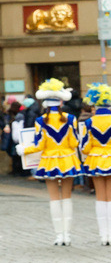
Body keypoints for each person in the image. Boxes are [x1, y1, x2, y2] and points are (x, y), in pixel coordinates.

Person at [17, 79, 80, 245]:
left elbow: (38, 145)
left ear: (45, 103)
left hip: (49, 162)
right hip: (67, 160)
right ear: (60, 102)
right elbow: (74, 143)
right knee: (67, 197)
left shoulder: (40, 121)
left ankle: (59, 236)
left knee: (54, 198)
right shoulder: (71, 118)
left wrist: (23, 149)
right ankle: (68, 235)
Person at [80, 83, 111, 245]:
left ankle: (103, 236)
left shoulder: (88, 123)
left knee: (100, 197)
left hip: (95, 159)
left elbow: (85, 148)